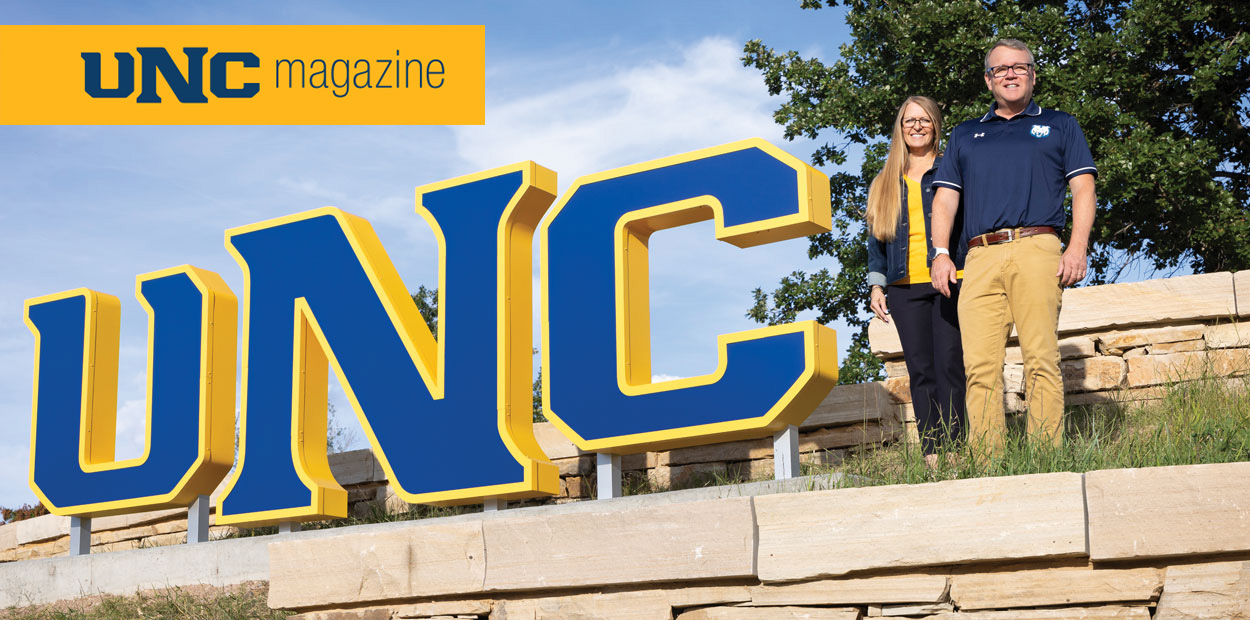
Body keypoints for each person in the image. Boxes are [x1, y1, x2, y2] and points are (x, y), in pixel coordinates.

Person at [929, 39, 1097, 453]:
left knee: (1040, 357)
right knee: (980, 366)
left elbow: (1083, 188)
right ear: (989, 80)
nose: (1010, 74)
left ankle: (1046, 456)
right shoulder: (966, 134)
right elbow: (946, 198)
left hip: (1037, 246)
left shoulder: (1060, 125)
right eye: (1001, 68)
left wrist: (1077, 247)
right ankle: (987, 463)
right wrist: (940, 253)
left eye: (1019, 67)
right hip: (980, 255)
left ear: (1033, 75)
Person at [866, 95, 968, 467]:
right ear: (900, 128)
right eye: (909, 120)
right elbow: (875, 240)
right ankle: (932, 453)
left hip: (947, 280)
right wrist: (877, 285)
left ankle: (957, 449)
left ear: (936, 125)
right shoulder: (884, 181)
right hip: (903, 286)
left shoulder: (951, 169)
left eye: (924, 119)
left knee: (949, 364)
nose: (917, 126)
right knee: (920, 371)